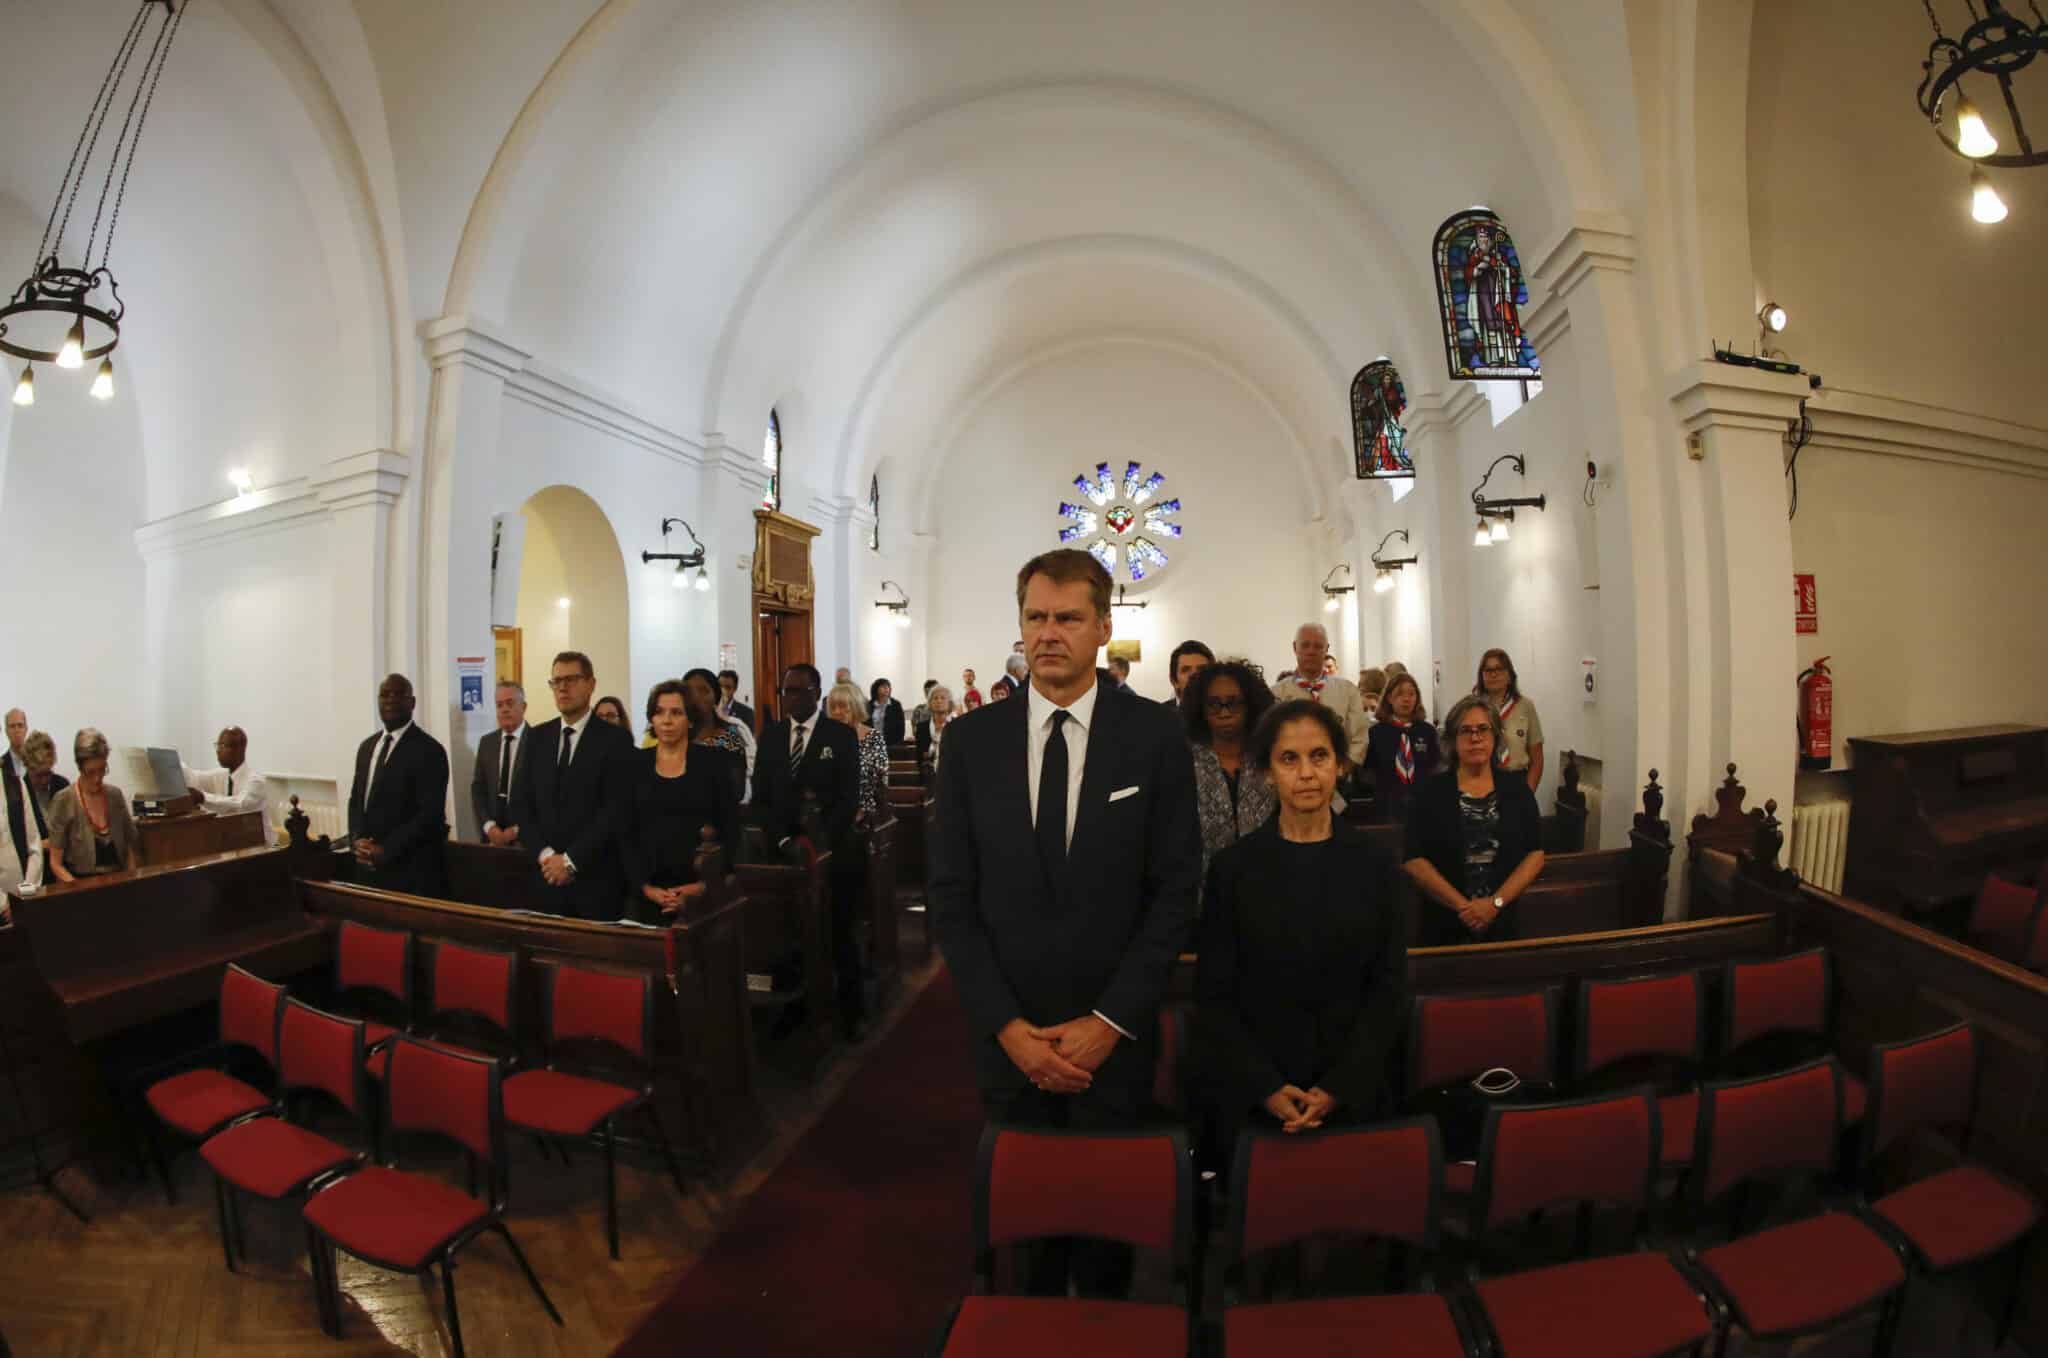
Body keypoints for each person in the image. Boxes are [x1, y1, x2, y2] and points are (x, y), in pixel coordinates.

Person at [929, 547, 1201, 1299]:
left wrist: (1110, 1021)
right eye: (1036, 617)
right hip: (1009, 1041)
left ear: (1103, 626)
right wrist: (1007, 1029)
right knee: (1031, 1239)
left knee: (1107, 1238)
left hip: (1111, 1037)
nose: (1049, 634)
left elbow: (1176, 890)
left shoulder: (1153, 735)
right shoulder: (972, 742)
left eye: (1068, 618)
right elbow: (951, 899)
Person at [1194, 699, 1407, 1163]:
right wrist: (1266, 1086)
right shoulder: (1234, 871)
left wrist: (1338, 1086)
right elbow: (1215, 995)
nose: (1306, 773)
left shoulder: (1376, 865)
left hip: (1354, 1088)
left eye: (1319, 756)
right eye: (1289, 759)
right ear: (1268, 772)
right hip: (1259, 1090)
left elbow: (1389, 987)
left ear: (1340, 766)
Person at [756, 663, 866, 1036]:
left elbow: (849, 797)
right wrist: (785, 841)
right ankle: (795, 1009)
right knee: (790, 935)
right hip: (785, 854)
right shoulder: (771, 737)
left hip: (834, 852)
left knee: (839, 931)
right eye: (787, 691)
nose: (792, 698)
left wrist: (819, 844)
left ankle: (852, 1013)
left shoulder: (840, 735)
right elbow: (761, 799)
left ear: (816, 693)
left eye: (800, 691)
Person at [1402, 694, 1545, 947]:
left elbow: (1535, 854)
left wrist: (1495, 904)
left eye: (1483, 729)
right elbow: (1414, 859)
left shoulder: (1517, 790)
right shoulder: (1430, 791)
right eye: (1465, 730)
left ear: (1495, 736)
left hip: (1502, 922)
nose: (1475, 737)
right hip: (1444, 923)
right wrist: (1464, 908)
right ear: (1452, 740)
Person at [512, 651, 637, 920]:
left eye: (571, 679)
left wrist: (569, 861)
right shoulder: (537, 737)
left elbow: (614, 810)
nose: (563, 687)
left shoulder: (615, 740)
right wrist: (547, 856)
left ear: (591, 684)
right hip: (545, 879)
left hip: (595, 879)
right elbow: (521, 804)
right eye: (556, 681)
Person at [622, 679, 740, 924]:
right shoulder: (634, 765)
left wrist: (699, 887)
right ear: (652, 719)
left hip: (703, 892)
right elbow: (625, 832)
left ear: (690, 719)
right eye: (659, 712)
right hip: (647, 893)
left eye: (676, 713)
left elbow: (730, 831)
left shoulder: (714, 764)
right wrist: (646, 889)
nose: (667, 720)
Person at [346, 675, 451, 896]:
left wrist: (386, 850)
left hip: (409, 870)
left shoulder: (430, 750)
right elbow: (356, 800)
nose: (390, 700)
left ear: (412, 703)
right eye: (384, 695)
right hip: (366, 868)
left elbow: (429, 814)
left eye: (398, 695)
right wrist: (356, 840)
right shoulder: (366, 747)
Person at [1184, 660, 1277, 889]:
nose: (1224, 712)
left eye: (1234, 703)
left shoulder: (1270, 758)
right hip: (1203, 889)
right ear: (1201, 708)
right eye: (1214, 704)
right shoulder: (1184, 761)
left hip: (1268, 881)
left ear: (1250, 706)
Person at [46, 728, 141, 882]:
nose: (97, 778)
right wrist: (78, 891)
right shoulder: (64, 800)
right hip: (80, 888)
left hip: (119, 883)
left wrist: (132, 882)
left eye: (102, 770)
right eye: (90, 772)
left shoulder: (115, 796)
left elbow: (130, 851)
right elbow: (55, 864)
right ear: (79, 767)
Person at [1268, 623, 1369, 767]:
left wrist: (1343, 769)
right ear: (1295, 647)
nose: (1311, 651)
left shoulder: (1348, 690)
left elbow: (1359, 737)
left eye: (1317, 646)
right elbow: (1271, 740)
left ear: (1326, 649)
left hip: (1339, 776)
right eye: (1305, 645)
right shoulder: (1276, 694)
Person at [1364, 672, 1441, 826]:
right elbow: (1369, 771)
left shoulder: (1427, 731)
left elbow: (1435, 766)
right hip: (1388, 804)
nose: (1406, 699)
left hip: (1422, 804)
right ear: (1389, 698)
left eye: (1412, 694)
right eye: (1399, 694)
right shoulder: (1376, 732)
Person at [1475, 648, 1545, 793]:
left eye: (1499, 669)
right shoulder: (1473, 708)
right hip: (1481, 781)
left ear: (1509, 675)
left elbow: (1537, 759)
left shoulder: (1526, 706)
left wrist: (1528, 794)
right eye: (1487, 670)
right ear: (1482, 676)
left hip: (1516, 781)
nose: (1493, 674)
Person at [471, 682, 532, 846]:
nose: (504, 709)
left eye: (510, 703)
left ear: (524, 707)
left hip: (526, 840)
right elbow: (478, 789)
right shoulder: (487, 742)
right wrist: (489, 827)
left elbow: (543, 797)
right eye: (499, 705)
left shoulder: (538, 741)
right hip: (491, 839)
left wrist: (515, 831)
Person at [182, 726, 272, 833]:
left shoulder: (256, 781)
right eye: (217, 745)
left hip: (261, 846)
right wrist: (172, 764)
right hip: (234, 842)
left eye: (223, 745)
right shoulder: (222, 775)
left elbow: (239, 805)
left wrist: (203, 797)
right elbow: (192, 776)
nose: (218, 751)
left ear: (240, 748)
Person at [683, 668, 753, 802]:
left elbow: (738, 791)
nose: (696, 697)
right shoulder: (679, 736)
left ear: (716, 696)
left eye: (703, 690)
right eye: (690, 692)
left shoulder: (728, 736)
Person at [829, 681, 890, 824]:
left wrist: (861, 810)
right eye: (833, 707)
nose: (837, 712)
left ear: (856, 707)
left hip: (866, 813)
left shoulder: (873, 737)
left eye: (843, 706)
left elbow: (881, 781)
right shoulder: (826, 738)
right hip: (831, 814)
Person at [1, 709, 30, 880]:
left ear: (26, 728)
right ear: (6, 731)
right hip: (14, 837)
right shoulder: (2, 766)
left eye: (20, 725)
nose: (17, 730)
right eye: (12, 726)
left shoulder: (37, 761)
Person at [1169, 639, 1216, 709]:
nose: (1194, 674)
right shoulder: (1157, 716)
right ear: (1174, 681)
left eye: (1202, 669)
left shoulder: (1228, 714)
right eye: (1186, 670)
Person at [868, 678, 907, 746]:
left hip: (891, 744)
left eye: (888, 686)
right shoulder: (869, 705)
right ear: (876, 689)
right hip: (872, 743)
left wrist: (898, 743)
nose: (886, 688)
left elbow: (901, 726)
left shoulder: (895, 705)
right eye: (883, 686)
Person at [924, 684, 956, 766]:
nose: (939, 701)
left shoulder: (957, 725)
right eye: (935, 698)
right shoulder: (922, 727)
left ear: (950, 703)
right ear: (930, 703)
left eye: (943, 698)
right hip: (928, 774)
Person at [911, 679, 938, 755]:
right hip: (924, 747)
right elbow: (915, 731)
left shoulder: (946, 710)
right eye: (928, 691)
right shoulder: (919, 710)